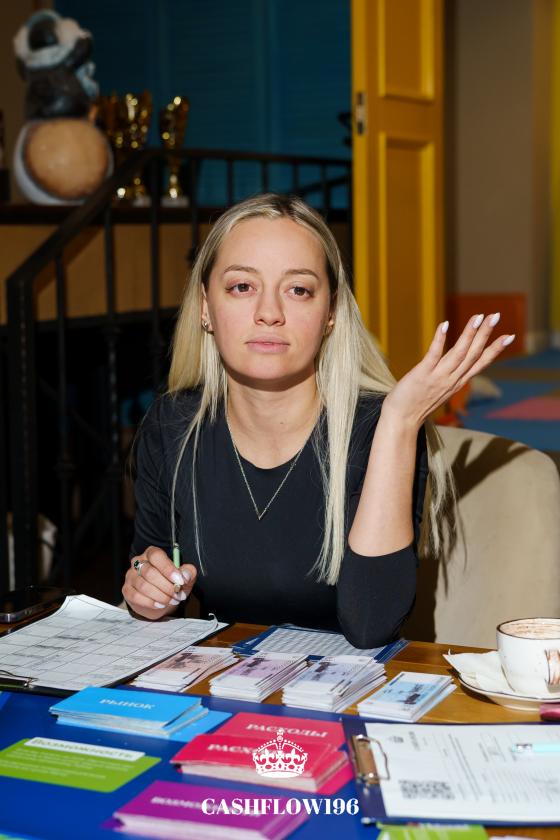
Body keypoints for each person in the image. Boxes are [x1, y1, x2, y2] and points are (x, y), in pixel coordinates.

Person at [123, 193, 514, 647]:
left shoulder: (377, 427)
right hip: (221, 679)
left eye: (299, 290)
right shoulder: (172, 424)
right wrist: (147, 590)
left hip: (349, 686)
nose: (269, 313)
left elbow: (371, 624)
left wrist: (399, 422)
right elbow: (149, 571)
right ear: (206, 307)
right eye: (242, 286)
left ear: (330, 314)